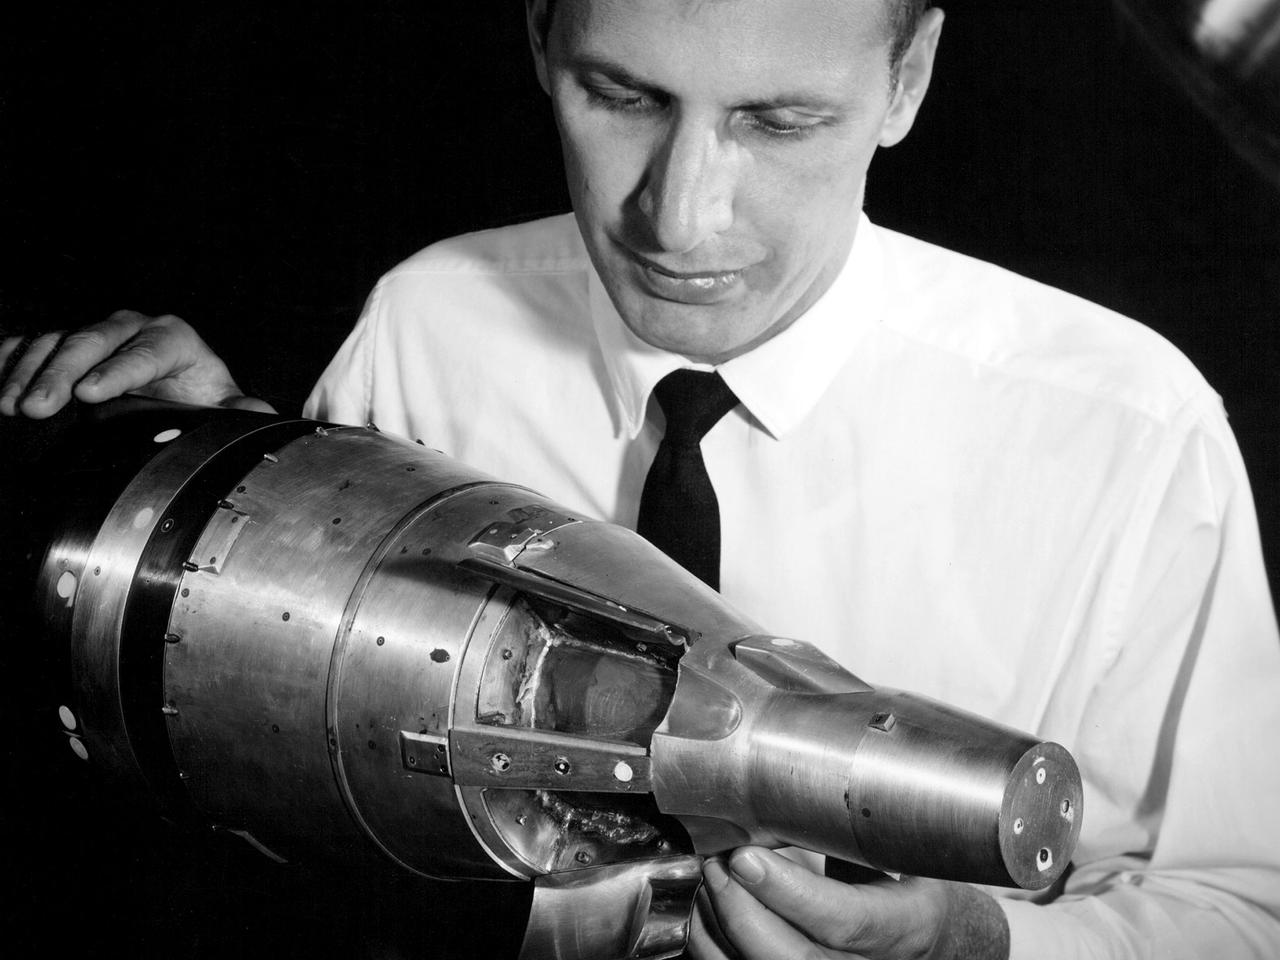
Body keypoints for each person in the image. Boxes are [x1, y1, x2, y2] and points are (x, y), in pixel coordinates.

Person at [3, 1, 1279, 958]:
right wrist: (203, 454)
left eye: (779, 122)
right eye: (619, 97)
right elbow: (289, 777)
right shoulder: (430, 323)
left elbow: (1245, 910)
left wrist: (976, 942)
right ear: (540, 45)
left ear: (908, 78)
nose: (681, 218)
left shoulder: (1126, 431)